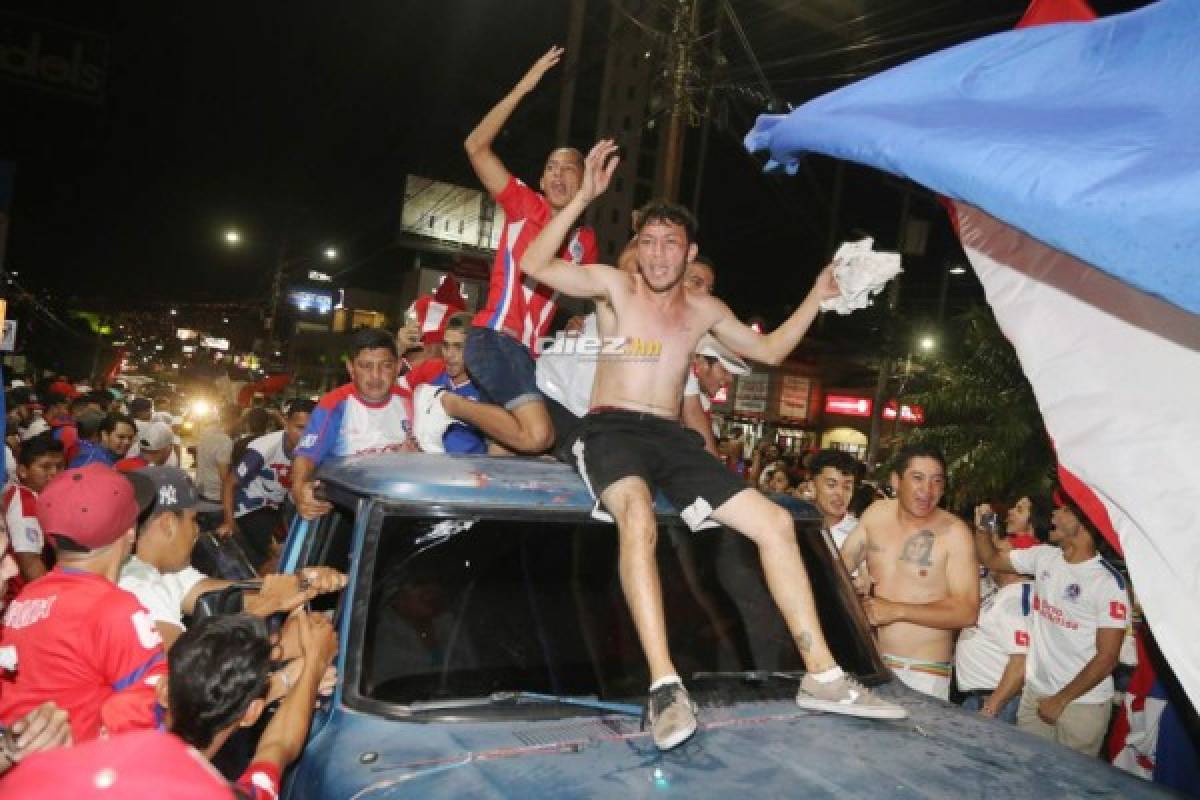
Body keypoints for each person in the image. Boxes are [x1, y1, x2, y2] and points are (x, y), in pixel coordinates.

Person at [517, 141, 906, 750]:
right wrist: (585, 200)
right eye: (648, 240)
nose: (657, 252)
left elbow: (771, 352)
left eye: (671, 242)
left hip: (672, 438)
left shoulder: (704, 309)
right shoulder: (614, 288)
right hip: (612, 428)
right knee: (638, 518)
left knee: (775, 523)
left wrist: (817, 293)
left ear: (690, 252)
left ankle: (824, 676)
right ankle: (665, 685)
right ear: (637, 246)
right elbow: (536, 263)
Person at [412, 46, 598, 456]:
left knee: (521, 452)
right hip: (494, 339)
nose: (558, 174)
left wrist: (579, 324)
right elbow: (476, 146)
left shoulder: (585, 241)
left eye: (569, 168)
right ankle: (442, 402)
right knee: (537, 436)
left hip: (530, 356)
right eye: (551, 167)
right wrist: (523, 87)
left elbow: (598, 290)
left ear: (587, 181)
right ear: (541, 178)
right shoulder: (523, 205)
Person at [0, 464, 167, 742]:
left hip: (21, 776)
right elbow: (149, 713)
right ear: (130, 534)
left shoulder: (23, 599)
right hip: (83, 775)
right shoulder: (115, 610)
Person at [118, 464, 346, 651]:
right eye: (193, 520)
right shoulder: (136, 587)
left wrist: (306, 581)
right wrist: (278, 647)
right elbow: (184, 676)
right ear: (168, 523)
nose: (197, 530)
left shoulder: (165, 572)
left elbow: (230, 593)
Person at [975, 492, 1130, 756]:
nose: (1054, 515)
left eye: (1064, 510)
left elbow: (1107, 657)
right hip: (1035, 695)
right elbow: (991, 560)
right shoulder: (1044, 557)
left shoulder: (1107, 583)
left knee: (1070, 788)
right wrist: (982, 529)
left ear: (1087, 523)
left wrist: (1061, 700)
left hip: (1082, 704)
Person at [840, 443, 979, 701]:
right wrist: (852, 588)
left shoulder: (955, 534)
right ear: (896, 480)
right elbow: (842, 565)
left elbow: (967, 611)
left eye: (937, 481)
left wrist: (896, 610)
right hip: (870, 667)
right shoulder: (875, 515)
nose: (927, 490)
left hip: (922, 674)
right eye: (918, 478)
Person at [164, 609, 339, 800]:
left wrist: (290, 674)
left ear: (162, 689)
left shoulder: (128, 723)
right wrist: (315, 663)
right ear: (251, 714)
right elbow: (277, 746)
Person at [291, 328, 415, 520]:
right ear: (351, 368)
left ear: (398, 367)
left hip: (398, 509)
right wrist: (300, 490)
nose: (375, 376)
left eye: (385, 366)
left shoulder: (412, 402)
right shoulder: (334, 405)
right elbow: (306, 457)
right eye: (366, 366)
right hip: (345, 513)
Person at [221, 399, 315, 568]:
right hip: (250, 508)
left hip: (276, 509)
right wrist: (229, 521)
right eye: (299, 428)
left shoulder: (313, 447)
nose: (305, 435)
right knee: (281, 555)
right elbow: (229, 483)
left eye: (311, 429)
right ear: (286, 423)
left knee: (297, 550)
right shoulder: (263, 449)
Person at [954, 527, 1032, 723]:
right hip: (981, 699)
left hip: (995, 703)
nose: (990, 558)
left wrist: (991, 708)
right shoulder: (1006, 593)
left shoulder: (1015, 600)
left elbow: (1021, 662)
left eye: (997, 552)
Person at [3, 433, 64, 589]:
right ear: (23, 471)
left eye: (60, 466)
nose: (54, 473)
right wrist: (51, 595)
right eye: (45, 467)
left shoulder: (29, 496)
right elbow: (29, 562)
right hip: (19, 595)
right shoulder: (25, 503)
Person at [426, 314, 487, 454]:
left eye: (459, 347)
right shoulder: (434, 385)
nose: (449, 354)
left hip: (473, 472)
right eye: (445, 346)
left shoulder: (487, 394)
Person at [808, 448, 861, 549]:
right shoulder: (794, 527)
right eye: (831, 485)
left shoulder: (859, 534)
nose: (840, 493)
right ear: (812, 487)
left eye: (847, 487)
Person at [194, 403, 239, 506]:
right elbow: (224, 477)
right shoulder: (225, 441)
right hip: (215, 497)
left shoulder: (205, 432)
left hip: (200, 492)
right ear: (236, 420)